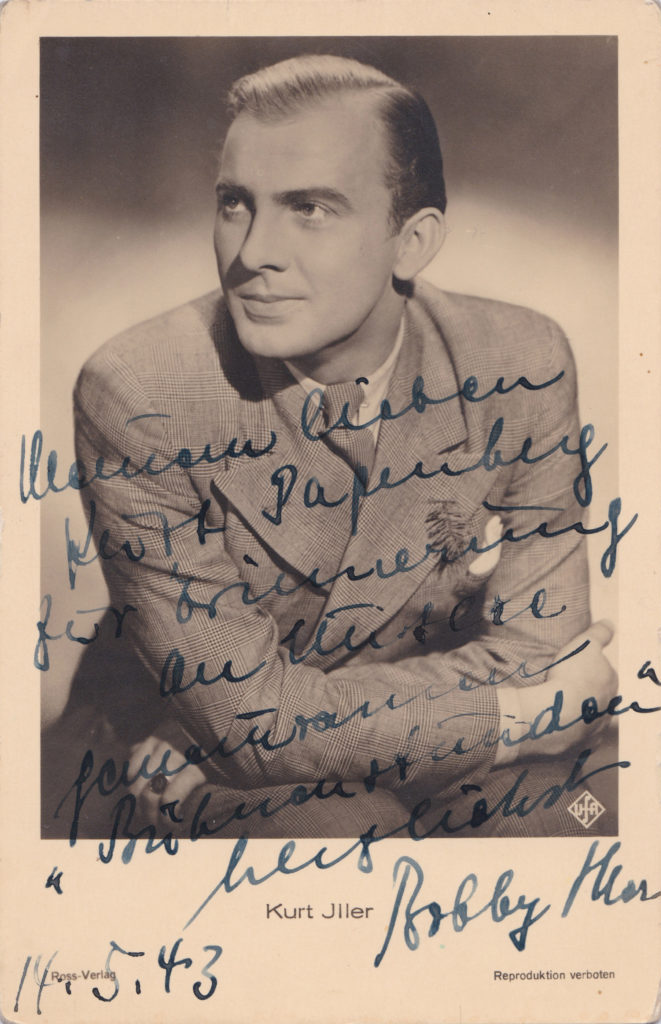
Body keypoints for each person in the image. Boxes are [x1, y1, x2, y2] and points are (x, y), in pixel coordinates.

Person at [52, 54, 618, 842]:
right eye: (234, 203)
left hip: (262, 744)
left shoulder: (518, 359)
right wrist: (520, 715)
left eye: (310, 208)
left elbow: (540, 645)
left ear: (411, 242)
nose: (252, 252)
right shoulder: (140, 391)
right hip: (160, 745)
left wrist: (278, 716)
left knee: (585, 816)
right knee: (345, 831)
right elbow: (248, 723)